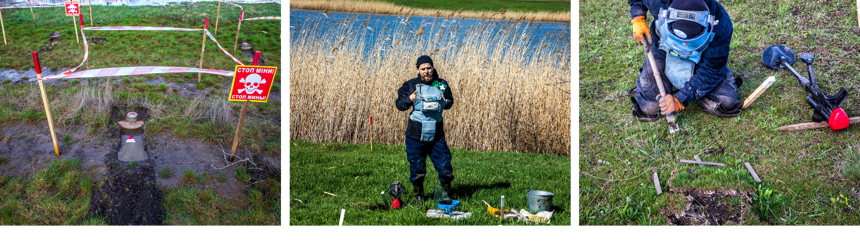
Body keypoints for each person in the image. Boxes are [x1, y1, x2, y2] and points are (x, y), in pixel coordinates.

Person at [628, 0, 742, 121]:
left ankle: (699, 84)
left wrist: (681, 98)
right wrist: (638, 18)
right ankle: (660, 72)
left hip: (701, 59)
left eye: (691, 40)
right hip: (663, 49)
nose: (684, 44)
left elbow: (711, 70)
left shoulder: (721, 25)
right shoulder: (658, 2)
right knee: (648, 108)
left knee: (726, 102)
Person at [395, 55, 455, 204]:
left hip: (437, 135)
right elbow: (400, 105)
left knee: (445, 168)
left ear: (433, 68)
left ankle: (446, 197)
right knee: (417, 168)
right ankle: (419, 198)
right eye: (423, 69)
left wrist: (445, 102)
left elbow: (450, 102)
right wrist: (410, 99)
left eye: (429, 68)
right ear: (418, 69)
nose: (426, 71)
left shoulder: (440, 84)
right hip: (415, 135)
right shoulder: (410, 85)